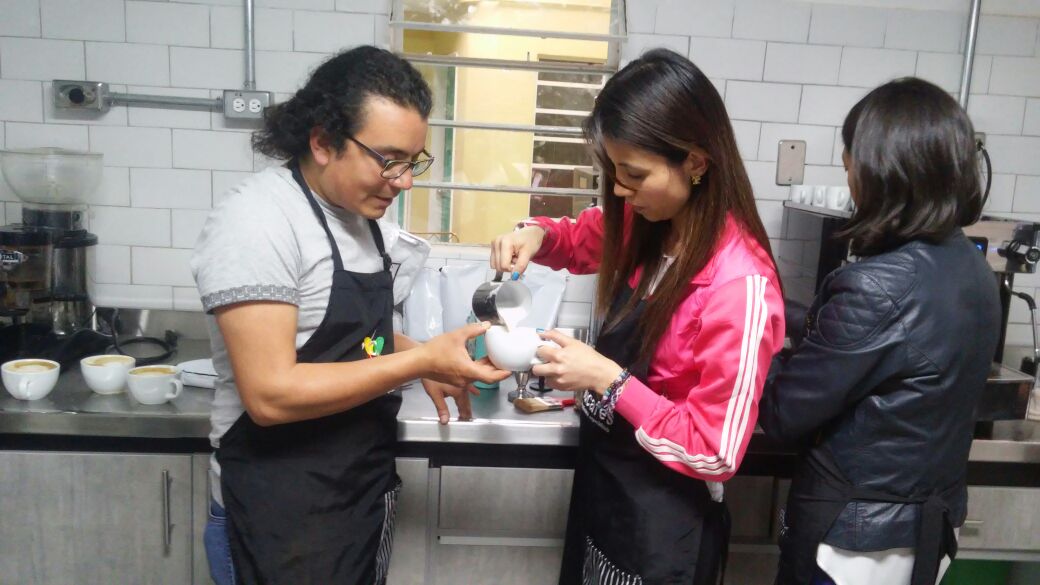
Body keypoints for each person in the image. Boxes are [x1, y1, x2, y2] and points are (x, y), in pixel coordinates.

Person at [190, 46, 509, 585]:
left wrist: (425, 357)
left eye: (413, 161)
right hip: (279, 510)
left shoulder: (363, 221)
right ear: (322, 141)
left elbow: (357, 339)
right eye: (389, 159)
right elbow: (269, 395)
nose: (404, 181)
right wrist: (419, 361)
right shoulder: (258, 222)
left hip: (357, 495)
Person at [491, 48, 786, 585]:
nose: (619, 191)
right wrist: (534, 233)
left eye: (633, 174)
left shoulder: (739, 285)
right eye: (612, 172)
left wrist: (608, 379)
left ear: (695, 162)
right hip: (606, 498)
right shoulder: (648, 225)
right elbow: (577, 239)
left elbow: (715, 452)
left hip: (662, 531)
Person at [758, 77, 1001, 585]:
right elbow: (875, 343)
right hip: (924, 529)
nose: (850, 182)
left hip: (854, 545)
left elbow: (782, 414)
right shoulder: (969, 266)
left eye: (850, 167)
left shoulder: (878, 285)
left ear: (879, 173)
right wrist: (779, 309)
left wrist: (755, 344)